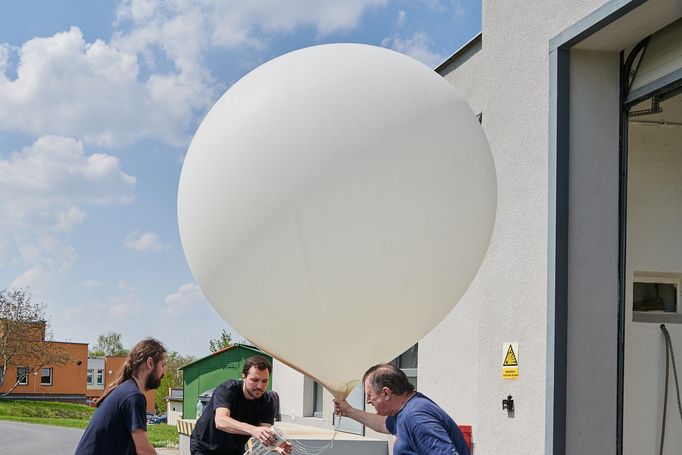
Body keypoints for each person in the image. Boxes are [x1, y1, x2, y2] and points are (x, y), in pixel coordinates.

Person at [333, 363, 470, 455]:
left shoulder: (417, 417)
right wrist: (349, 411)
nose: (368, 401)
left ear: (386, 393)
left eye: (370, 395)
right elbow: (383, 424)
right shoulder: (404, 411)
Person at [75, 338, 167, 455]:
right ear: (150, 363)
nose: (163, 372)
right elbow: (144, 451)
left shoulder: (124, 391)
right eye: (163, 365)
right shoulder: (133, 397)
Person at [190, 356, 292, 455]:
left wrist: (277, 443)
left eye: (264, 381)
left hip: (234, 449)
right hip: (205, 447)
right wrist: (253, 430)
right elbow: (221, 421)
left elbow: (264, 432)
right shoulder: (227, 390)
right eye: (255, 380)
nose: (260, 386)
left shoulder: (267, 401)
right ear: (244, 377)